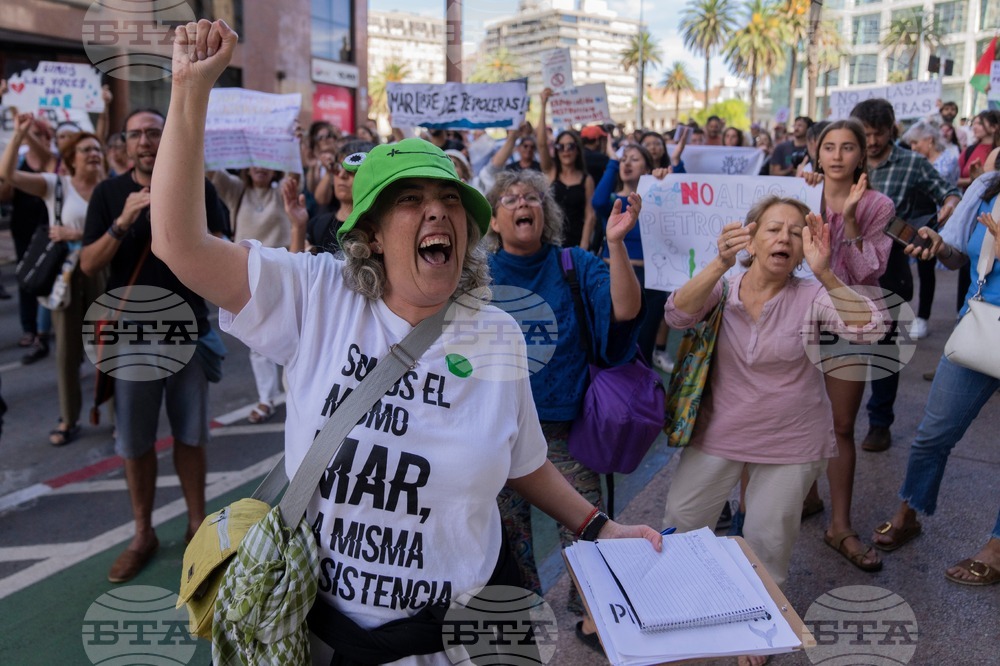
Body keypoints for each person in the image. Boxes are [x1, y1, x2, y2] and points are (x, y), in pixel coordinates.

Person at [152, 19, 662, 661]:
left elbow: (525, 459)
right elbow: (179, 245)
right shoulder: (317, 297)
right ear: (368, 233)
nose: (436, 211)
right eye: (409, 199)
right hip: (328, 639)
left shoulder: (496, 334)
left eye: (450, 198)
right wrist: (188, 89)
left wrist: (600, 525)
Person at [663, 196, 885, 594]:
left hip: (792, 440)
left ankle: (759, 625)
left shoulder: (812, 294)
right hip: (719, 432)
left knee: (768, 543)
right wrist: (719, 263)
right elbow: (677, 314)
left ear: (804, 248)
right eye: (773, 229)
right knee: (682, 521)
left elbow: (872, 327)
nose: (785, 237)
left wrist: (828, 274)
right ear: (750, 238)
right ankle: (679, 599)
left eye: (796, 232)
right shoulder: (725, 286)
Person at [485, 168, 645, 646]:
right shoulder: (475, 275)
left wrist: (616, 245)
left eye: (532, 197)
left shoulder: (575, 263)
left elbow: (626, 310)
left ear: (546, 212)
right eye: (510, 199)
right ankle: (525, 616)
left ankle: (595, 610)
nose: (521, 204)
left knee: (586, 525)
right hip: (495, 432)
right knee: (505, 538)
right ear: (494, 220)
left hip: (561, 430)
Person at [80, 107, 227, 583]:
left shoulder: (196, 185)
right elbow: (87, 264)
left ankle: (195, 527)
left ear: (167, 140)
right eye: (137, 134)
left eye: (154, 133)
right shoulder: (108, 193)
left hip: (186, 326)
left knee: (191, 434)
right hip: (131, 336)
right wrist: (121, 222)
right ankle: (143, 533)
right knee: (136, 440)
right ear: (124, 144)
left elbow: (223, 244)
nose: (145, 141)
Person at [871, 171, 1000, 588]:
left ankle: (997, 546)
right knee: (933, 433)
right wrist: (939, 246)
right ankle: (909, 511)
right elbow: (957, 255)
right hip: (980, 327)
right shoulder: (988, 185)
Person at [800, 119, 895, 571]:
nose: (837, 155)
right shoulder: (798, 192)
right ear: (816, 153)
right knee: (795, 410)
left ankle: (840, 525)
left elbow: (866, 272)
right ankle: (808, 496)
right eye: (829, 147)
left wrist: (851, 216)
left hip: (849, 319)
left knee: (840, 424)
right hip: (797, 317)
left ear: (863, 155)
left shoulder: (878, 204)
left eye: (848, 147)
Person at [849, 99, 961, 453]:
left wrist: (947, 207)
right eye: (864, 134)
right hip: (847, 257)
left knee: (885, 345)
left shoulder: (912, 162)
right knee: (841, 343)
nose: (871, 142)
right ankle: (836, 423)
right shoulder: (847, 156)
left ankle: (879, 422)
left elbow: (949, 191)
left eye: (877, 134)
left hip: (892, 263)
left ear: (891, 129)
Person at [1, 120, 110, 446]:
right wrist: (19, 133)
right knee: (67, 351)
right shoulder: (55, 185)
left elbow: (121, 231)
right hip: (65, 275)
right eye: (86, 150)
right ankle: (69, 417)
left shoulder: (111, 189)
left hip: (102, 272)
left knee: (109, 346)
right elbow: (9, 175)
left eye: (97, 150)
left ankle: (120, 416)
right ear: (71, 158)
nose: (94, 154)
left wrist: (76, 234)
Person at [208, 165, 290, 424]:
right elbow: (210, 170)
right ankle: (266, 398)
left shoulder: (282, 191)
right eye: (255, 161)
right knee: (258, 341)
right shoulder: (236, 191)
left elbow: (296, 171)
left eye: (267, 162)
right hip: (248, 274)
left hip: (284, 273)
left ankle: (296, 393)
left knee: (292, 334)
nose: (261, 168)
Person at [592, 139, 666, 362]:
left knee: (643, 346)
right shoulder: (613, 201)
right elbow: (597, 201)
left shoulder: (657, 197)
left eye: (634, 160)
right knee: (610, 341)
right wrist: (613, 161)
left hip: (648, 280)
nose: (627, 164)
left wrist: (666, 178)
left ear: (646, 168)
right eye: (624, 159)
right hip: (611, 273)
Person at [901, 119, 961, 340]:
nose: (913, 148)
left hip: (937, 222)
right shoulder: (916, 162)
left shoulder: (946, 161)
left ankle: (923, 317)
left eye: (916, 143)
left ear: (929, 140)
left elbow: (942, 188)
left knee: (927, 271)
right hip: (917, 220)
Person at [536, 89, 597, 249]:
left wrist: (583, 248)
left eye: (570, 146)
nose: (566, 151)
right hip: (550, 243)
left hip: (576, 244)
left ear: (577, 149)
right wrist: (543, 105)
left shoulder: (586, 179)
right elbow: (541, 144)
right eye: (560, 146)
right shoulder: (551, 172)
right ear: (556, 150)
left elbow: (589, 215)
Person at [958, 111, 997, 189]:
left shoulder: (997, 151)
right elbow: (954, 179)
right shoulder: (969, 150)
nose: (974, 127)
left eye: (980, 124)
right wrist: (971, 180)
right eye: (974, 123)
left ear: (994, 127)